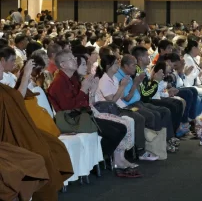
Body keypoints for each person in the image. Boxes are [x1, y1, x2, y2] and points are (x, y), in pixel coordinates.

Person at [48, 50, 140, 175]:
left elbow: (83, 102)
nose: (75, 60)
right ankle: (96, 159)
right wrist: (84, 89)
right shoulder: (59, 82)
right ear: (63, 65)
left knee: (121, 128)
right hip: (72, 120)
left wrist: (90, 90)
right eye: (71, 59)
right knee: (115, 131)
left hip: (83, 114)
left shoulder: (73, 79)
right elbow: (68, 107)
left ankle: (98, 158)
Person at [0, 49, 73, 201]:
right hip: (6, 138)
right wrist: (26, 75)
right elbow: (15, 101)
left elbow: (12, 102)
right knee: (38, 157)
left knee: (52, 146)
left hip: (15, 130)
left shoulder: (4, 87)